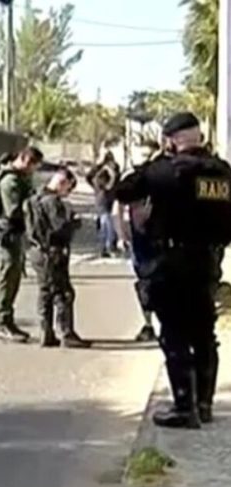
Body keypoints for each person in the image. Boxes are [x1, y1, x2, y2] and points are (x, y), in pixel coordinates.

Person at [113, 111, 231, 429]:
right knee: (205, 334)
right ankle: (204, 404)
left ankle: (184, 407)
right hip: (208, 263)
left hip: (172, 263)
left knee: (175, 335)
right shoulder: (222, 173)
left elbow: (122, 190)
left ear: (171, 140)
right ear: (200, 137)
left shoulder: (162, 171)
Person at [24, 168, 90, 348]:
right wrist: (74, 222)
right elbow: (59, 227)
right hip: (52, 251)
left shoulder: (33, 199)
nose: (67, 193)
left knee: (45, 291)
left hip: (36, 250)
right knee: (63, 293)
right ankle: (66, 333)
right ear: (63, 183)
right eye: (68, 189)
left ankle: (46, 332)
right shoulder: (52, 202)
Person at [0, 147, 45, 342]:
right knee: (8, 276)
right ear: (24, 160)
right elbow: (14, 211)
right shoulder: (10, 181)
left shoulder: (20, 178)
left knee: (14, 277)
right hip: (7, 233)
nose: (32, 172)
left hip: (14, 233)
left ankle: (8, 321)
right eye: (32, 167)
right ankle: (3, 322)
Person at [115, 140, 164, 342]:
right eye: (141, 155)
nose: (144, 159)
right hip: (139, 237)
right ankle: (148, 324)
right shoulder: (131, 178)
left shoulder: (163, 174)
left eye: (148, 155)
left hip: (161, 236)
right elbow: (118, 207)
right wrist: (121, 233)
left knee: (163, 281)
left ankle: (166, 325)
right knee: (144, 283)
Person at [87, 151, 121, 257]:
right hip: (104, 200)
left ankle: (107, 246)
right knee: (106, 224)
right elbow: (106, 185)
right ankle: (107, 247)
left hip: (107, 199)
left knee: (107, 223)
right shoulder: (101, 171)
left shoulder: (111, 169)